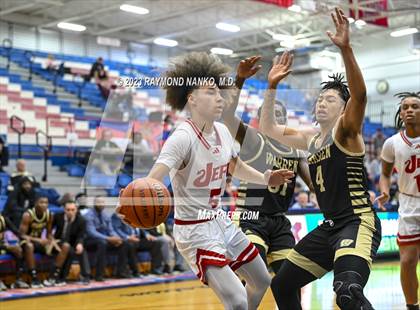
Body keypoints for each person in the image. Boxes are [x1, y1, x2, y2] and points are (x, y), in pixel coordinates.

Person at [116, 51, 294, 309]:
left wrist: (266, 178)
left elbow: (234, 166)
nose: (219, 97)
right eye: (210, 92)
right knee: (237, 301)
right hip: (194, 230)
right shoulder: (182, 137)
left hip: (220, 220)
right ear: (192, 99)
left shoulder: (222, 131)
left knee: (262, 280)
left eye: (219, 92)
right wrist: (132, 203)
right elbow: (153, 181)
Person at [259, 9, 381, 309]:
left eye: (330, 99)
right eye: (319, 98)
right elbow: (268, 128)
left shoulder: (346, 131)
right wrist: (271, 86)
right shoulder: (309, 139)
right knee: (282, 285)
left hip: (357, 222)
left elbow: (360, 96)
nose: (321, 102)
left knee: (347, 290)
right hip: (328, 227)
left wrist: (346, 49)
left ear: (343, 109)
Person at [221, 55, 313, 274]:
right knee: (254, 275)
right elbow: (227, 116)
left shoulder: (295, 151)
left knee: (289, 282)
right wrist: (240, 80)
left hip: (279, 221)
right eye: (272, 114)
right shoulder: (253, 139)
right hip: (250, 216)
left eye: (281, 115)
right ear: (262, 119)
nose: (277, 118)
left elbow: (317, 186)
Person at [377, 91, 420, 310]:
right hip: (409, 205)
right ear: (400, 113)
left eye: (415, 106)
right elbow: (384, 174)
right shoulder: (392, 143)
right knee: (407, 261)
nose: (410, 110)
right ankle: (412, 306)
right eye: (405, 107)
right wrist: (385, 191)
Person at [84, 196, 129, 281]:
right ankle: (99, 275)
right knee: (102, 243)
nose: (101, 204)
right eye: (99, 202)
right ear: (94, 203)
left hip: (103, 239)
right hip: (89, 241)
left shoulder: (105, 215)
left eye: (103, 202)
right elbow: (92, 233)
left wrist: (117, 238)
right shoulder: (88, 215)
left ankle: (120, 272)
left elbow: (111, 230)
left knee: (124, 243)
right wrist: (108, 238)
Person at [50, 201, 91, 285]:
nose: (70, 212)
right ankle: (62, 277)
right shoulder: (57, 217)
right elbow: (49, 231)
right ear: (64, 210)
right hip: (58, 242)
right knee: (70, 251)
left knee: (81, 251)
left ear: (76, 210)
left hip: (73, 242)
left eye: (73, 210)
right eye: (68, 210)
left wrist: (80, 244)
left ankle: (86, 276)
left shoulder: (81, 220)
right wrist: (52, 240)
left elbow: (81, 235)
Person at [19, 195, 55, 288]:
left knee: (57, 247)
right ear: (35, 204)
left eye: (46, 203)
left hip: (38, 242)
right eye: (41, 202)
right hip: (25, 242)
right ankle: (34, 278)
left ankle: (53, 277)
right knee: (29, 246)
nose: (44, 205)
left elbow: (49, 233)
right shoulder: (28, 215)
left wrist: (51, 240)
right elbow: (21, 235)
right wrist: (38, 240)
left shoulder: (49, 214)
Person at [0, 214, 29, 290]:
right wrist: (7, 246)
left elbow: (15, 230)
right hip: (3, 245)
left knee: (18, 250)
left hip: (2, 244)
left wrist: (24, 238)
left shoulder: (3, 218)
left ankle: (18, 280)